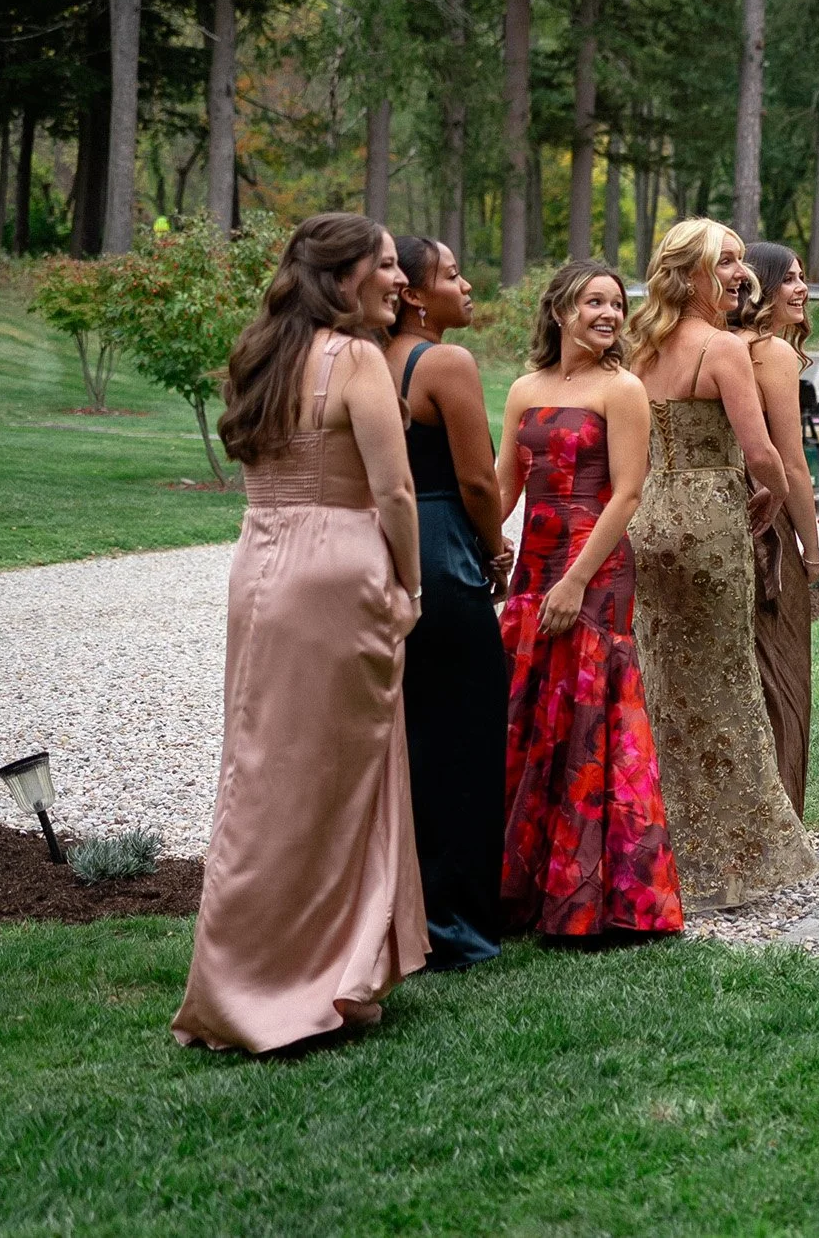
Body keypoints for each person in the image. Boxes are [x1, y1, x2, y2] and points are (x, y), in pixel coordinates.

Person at [174, 215, 426, 1052]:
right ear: (344, 276)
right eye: (383, 266)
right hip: (338, 569)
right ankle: (314, 978)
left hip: (261, 564)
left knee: (261, 771)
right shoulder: (353, 359)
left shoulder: (258, 355)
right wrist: (411, 583)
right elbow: (393, 492)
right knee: (333, 777)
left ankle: (241, 974)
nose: (397, 278)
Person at [625, 218, 815, 912]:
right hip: (709, 517)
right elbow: (761, 450)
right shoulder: (722, 349)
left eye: (741, 261)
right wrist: (770, 493)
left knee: (665, 684)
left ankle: (662, 844)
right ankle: (736, 854)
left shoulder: (639, 345)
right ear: (694, 274)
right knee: (728, 678)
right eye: (725, 263)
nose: (740, 274)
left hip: (650, 513)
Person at [496, 261, 682, 938]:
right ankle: (521, 884)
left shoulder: (622, 388)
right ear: (560, 310)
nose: (608, 313)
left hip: (595, 568)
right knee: (531, 706)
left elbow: (628, 492)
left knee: (587, 718)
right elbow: (503, 485)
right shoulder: (525, 388)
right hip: (534, 562)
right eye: (593, 301)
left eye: (615, 303)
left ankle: (594, 898)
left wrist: (574, 579)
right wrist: (483, 546)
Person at [382, 236, 511, 970]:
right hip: (441, 547)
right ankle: (456, 919)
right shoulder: (445, 364)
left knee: (408, 735)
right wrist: (495, 550)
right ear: (414, 295)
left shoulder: (370, 360)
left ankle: (403, 908)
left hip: (386, 548)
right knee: (464, 734)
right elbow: (478, 481)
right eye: (453, 275)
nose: (468, 286)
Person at [736, 241, 819, 813]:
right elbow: (790, 460)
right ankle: (779, 814)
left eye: (802, 276)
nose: (801, 288)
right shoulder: (771, 353)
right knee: (781, 672)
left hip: (721, 515)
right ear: (761, 286)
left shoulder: (717, 346)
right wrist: (812, 552)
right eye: (789, 279)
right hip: (765, 526)